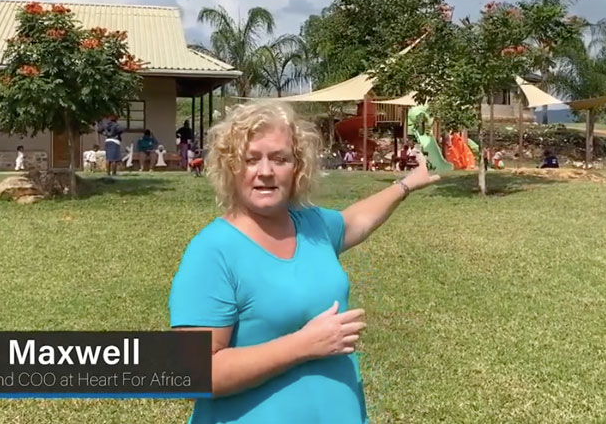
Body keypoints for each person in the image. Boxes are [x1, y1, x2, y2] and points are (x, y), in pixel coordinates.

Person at [168, 100, 440, 424]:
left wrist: (407, 183)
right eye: (251, 159)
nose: (265, 172)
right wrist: (303, 345)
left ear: (298, 167)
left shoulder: (312, 227)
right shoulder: (212, 251)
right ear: (231, 167)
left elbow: (355, 221)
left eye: (279, 159)